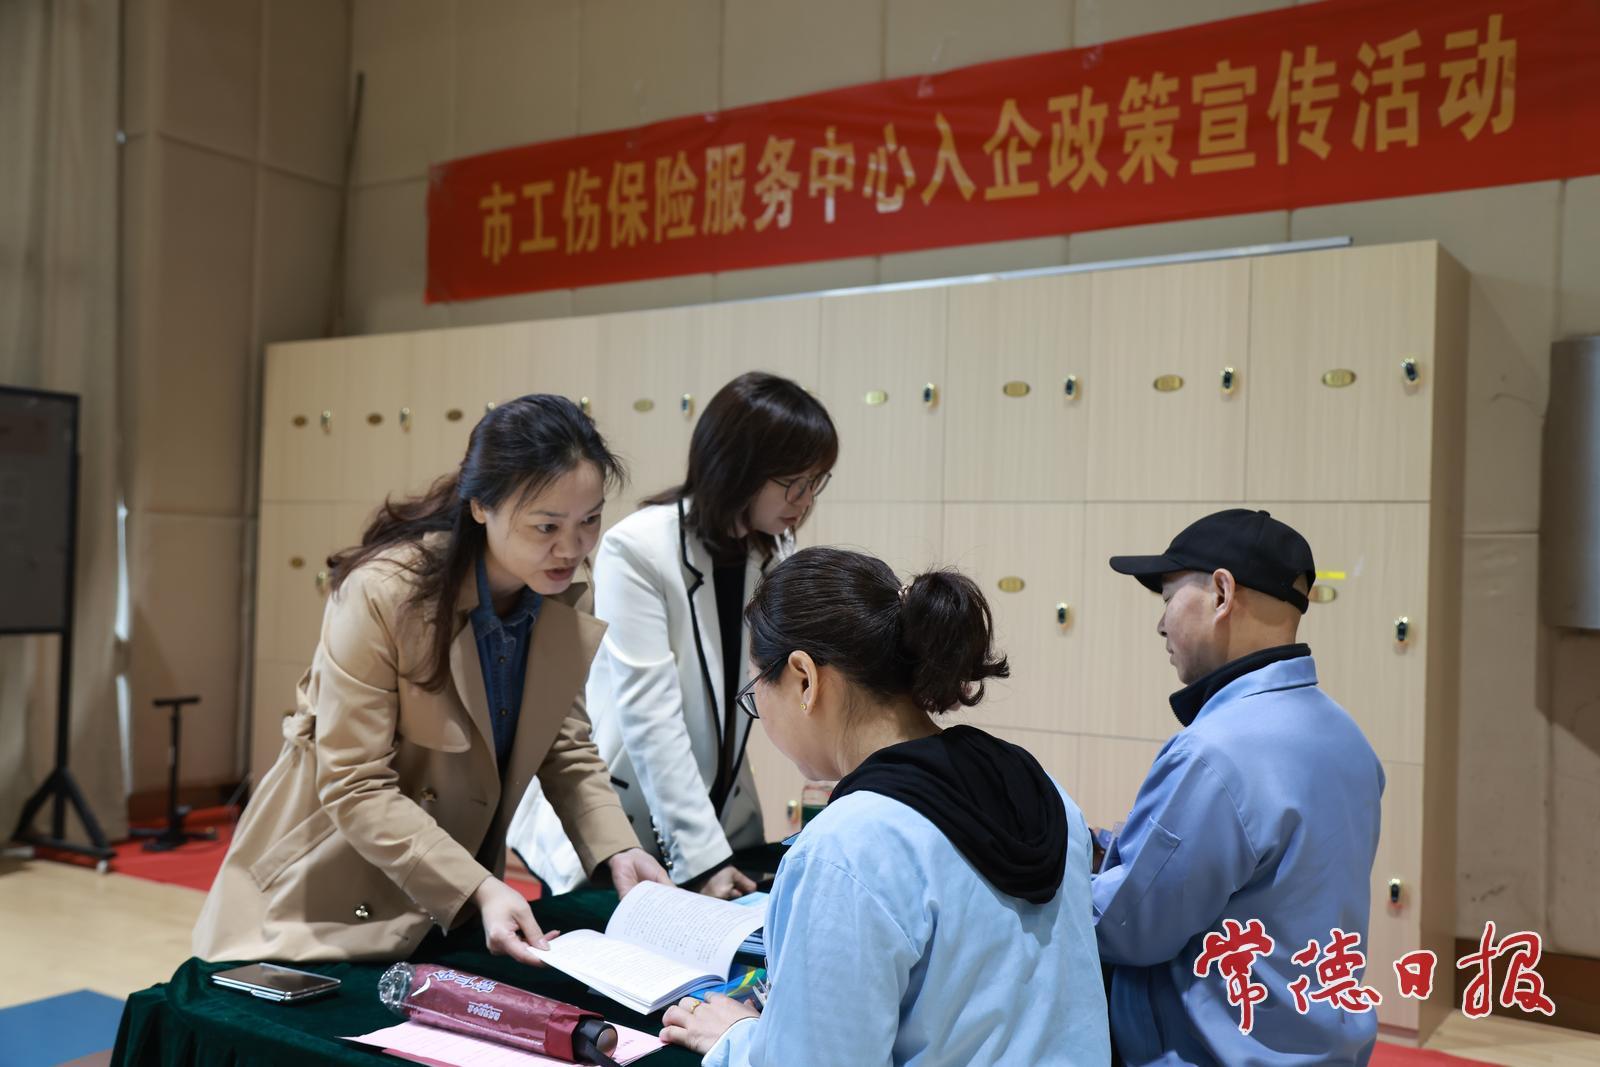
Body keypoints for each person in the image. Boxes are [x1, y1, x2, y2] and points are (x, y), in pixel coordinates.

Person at [193, 395, 670, 964]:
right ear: (481, 507)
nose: (571, 548)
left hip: (453, 899)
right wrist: (477, 885)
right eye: (546, 526)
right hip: (327, 900)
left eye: (589, 520)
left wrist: (617, 848)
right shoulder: (383, 593)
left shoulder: (563, 595)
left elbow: (564, 745)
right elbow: (354, 783)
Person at [660, 547, 1111, 1065]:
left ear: (804, 678)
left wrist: (740, 1038)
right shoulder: (1040, 786)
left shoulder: (847, 847)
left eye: (755, 687)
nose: (757, 709)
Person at [516, 372, 837, 898]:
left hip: (721, 813)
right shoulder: (639, 548)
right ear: (740, 467)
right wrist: (703, 860)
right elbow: (651, 717)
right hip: (623, 822)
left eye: (815, 483)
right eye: (793, 482)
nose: (804, 500)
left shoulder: (775, 554)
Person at [1094, 509, 1385, 1065]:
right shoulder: (1348, 738)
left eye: (1167, 599)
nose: (1161, 625)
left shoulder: (1215, 753)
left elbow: (1130, 928)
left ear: (1222, 593)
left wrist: (1052, 878)